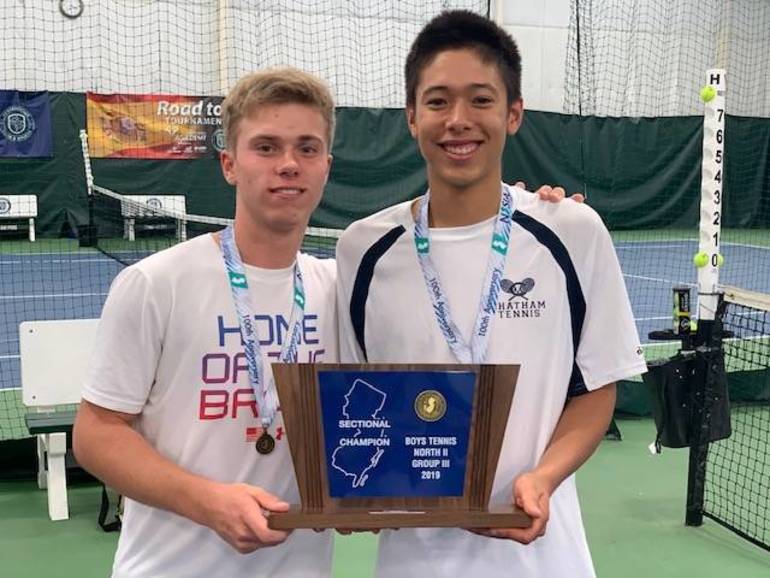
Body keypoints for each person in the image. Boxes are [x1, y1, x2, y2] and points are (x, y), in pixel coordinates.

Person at [335, 10, 647, 578]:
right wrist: (357, 487)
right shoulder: (363, 250)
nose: (458, 120)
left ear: (514, 113)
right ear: (411, 116)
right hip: (411, 562)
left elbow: (595, 392)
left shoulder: (572, 232)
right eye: (437, 102)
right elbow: (358, 403)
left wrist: (543, 479)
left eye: (481, 100)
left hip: (543, 561)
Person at [73, 68, 338, 577]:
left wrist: (529, 210)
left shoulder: (337, 288)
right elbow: (96, 433)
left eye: (307, 148)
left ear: (327, 164)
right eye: (266, 147)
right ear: (229, 164)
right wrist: (208, 502)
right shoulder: (156, 283)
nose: (288, 164)